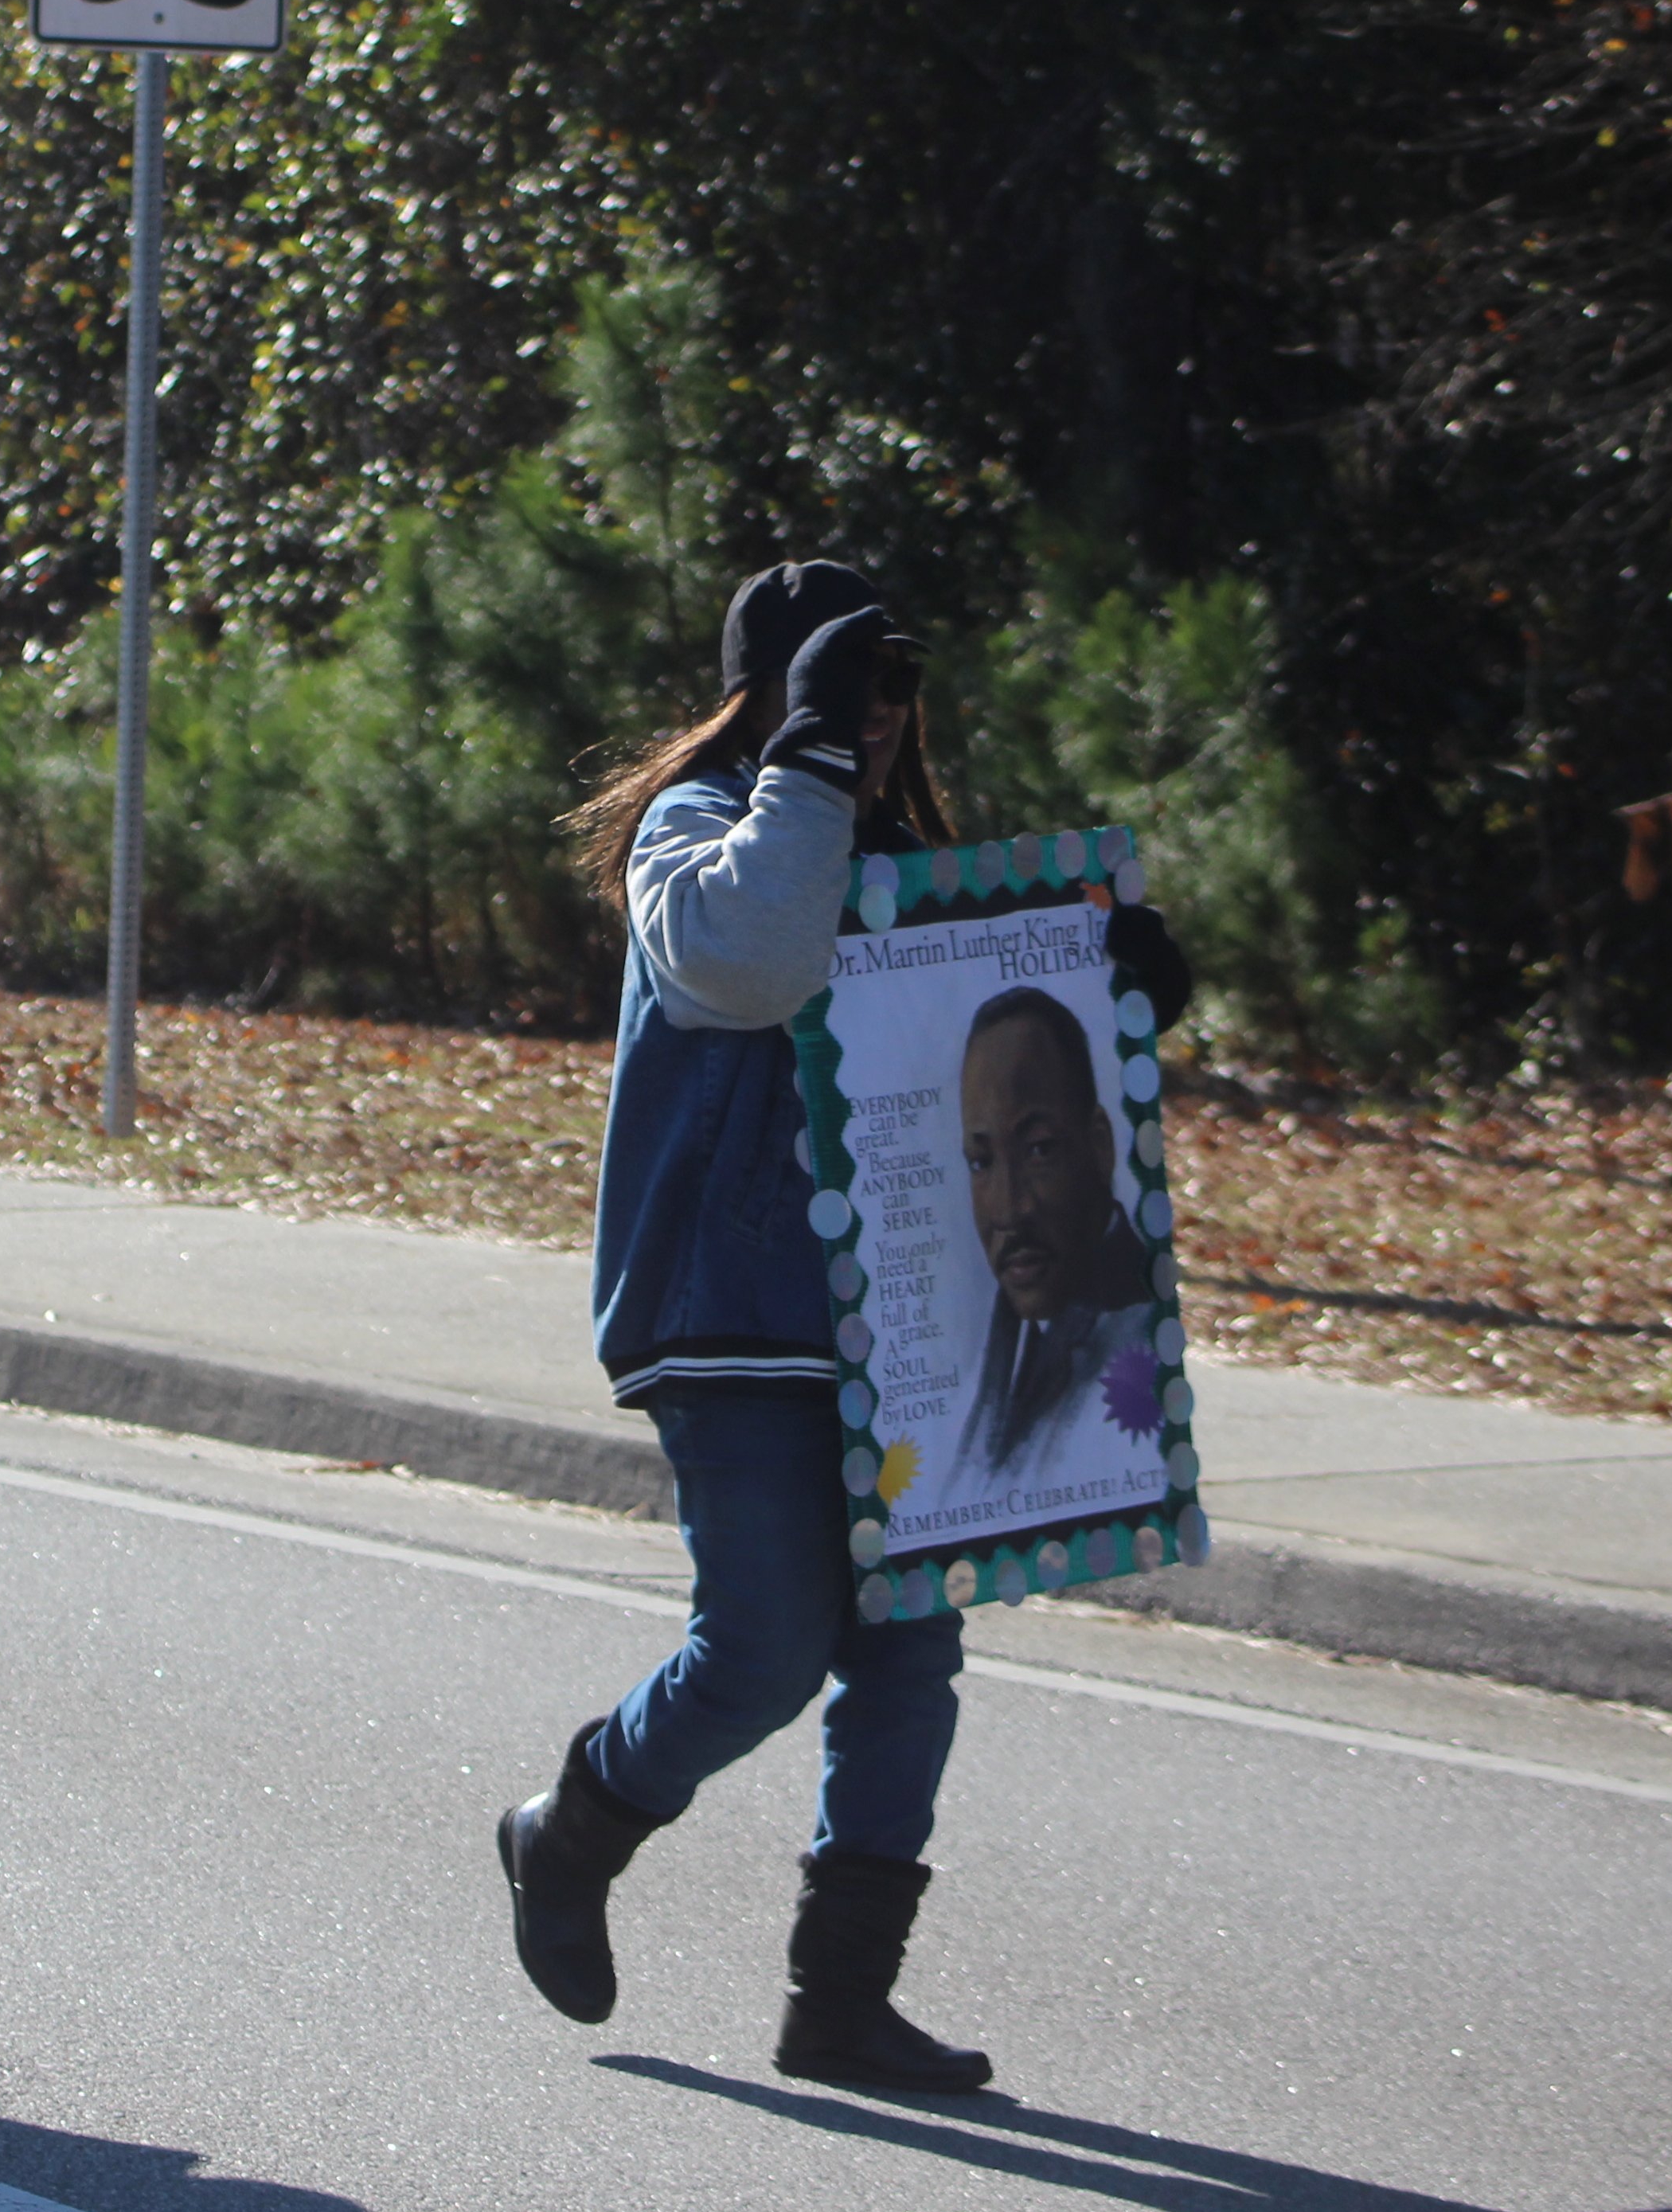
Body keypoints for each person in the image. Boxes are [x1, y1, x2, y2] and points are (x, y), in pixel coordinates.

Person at [489, 560, 1191, 2096]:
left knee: (906, 1653)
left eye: (889, 687)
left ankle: (838, 2001)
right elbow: (748, 960)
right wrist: (796, 754)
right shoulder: (695, 838)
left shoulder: (912, 869)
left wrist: (1112, 992)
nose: (874, 716)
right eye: (841, 683)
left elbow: (1018, 1073)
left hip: (911, 1332)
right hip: (730, 1319)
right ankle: (576, 1823)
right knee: (760, 1648)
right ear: (771, 694)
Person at [951, 987, 1152, 1487]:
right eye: (982, 1162)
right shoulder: (1003, 1341)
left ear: (1100, 1146)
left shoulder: (1136, 1331)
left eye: (1039, 1150)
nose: (1007, 1209)